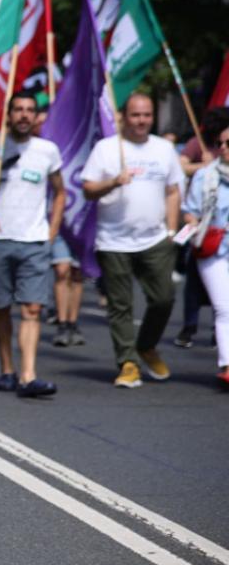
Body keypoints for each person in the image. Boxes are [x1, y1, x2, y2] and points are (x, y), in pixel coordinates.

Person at [82, 93, 182, 388]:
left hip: (154, 240)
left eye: (147, 115)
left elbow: (173, 190)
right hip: (114, 241)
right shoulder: (106, 149)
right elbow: (88, 189)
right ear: (123, 117)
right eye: (136, 115)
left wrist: (171, 231)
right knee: (120, 306)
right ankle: (127, 362)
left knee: (163, 298)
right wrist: (113, 181)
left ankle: (146, 345)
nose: (142, 121)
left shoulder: (164, 149)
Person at [0, 93, 64, 397]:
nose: (24, 115)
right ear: (9, 114)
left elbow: (60, 191)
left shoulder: (47, 150)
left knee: (32, 308)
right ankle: (7, 369)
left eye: (29, 111)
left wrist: (51, 231)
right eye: (18, 110)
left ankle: (28, 375)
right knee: (2, 306)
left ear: (37, 116)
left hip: (34, 240)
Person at [181, 121, 229, 386]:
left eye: (228, 144)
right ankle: (227, 363)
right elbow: (190, 210)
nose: (223, 149)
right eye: (220, 143)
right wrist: (190, 226)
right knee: (224, 307)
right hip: (213, 248)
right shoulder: (205, 175)